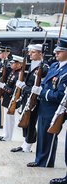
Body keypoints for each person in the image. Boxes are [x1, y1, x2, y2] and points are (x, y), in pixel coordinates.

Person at [27, 39, 67, 168]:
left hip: (54, 109)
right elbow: (45, 84)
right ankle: (40, 159)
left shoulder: (65, 72)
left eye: (59, 52)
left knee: (49, 135)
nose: (56, 54)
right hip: (44, 106)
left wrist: (42, 92)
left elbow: (60, 95)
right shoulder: (55, 66)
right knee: (42, 135)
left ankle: (46, 161)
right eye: (56, 51)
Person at [11, 44, 48, 152]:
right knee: (25, 121)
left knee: (30, 122)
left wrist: (24, 87)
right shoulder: (32, 64)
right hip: (26, 98)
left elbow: (37, 87)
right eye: (30, 52)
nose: (29, 54)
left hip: (34, 100)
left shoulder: (44, 67)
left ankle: (28, 145)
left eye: (33, 52)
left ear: (40, 54)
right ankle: (25, 143)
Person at [0, 55, 22, 141]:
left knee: (10, 119)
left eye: (13, 63)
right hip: (7, 98)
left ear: (19, 64)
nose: (11, 64)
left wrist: (4, 87)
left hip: (12, 99)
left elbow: (14, 91)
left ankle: (8, 136)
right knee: (6, 119)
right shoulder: (13, 72)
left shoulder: (19, 75)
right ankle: (5, 134)